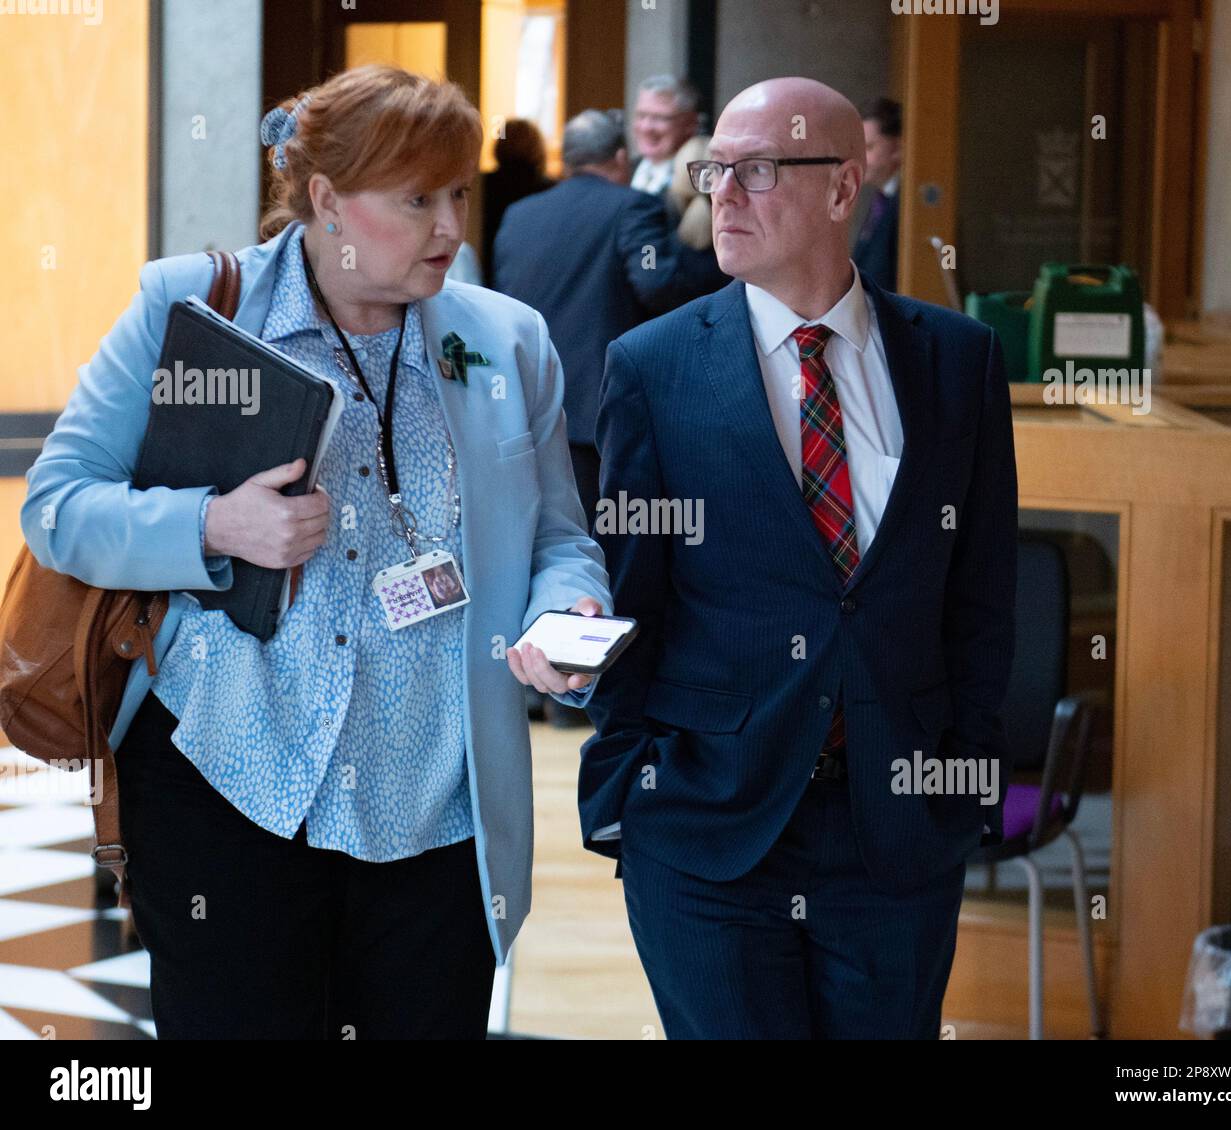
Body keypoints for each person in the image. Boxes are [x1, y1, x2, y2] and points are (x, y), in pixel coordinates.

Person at [22, 64, 611, 1040]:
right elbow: (59, 504)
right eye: (415, 199)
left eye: (458, 193)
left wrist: (568, 608)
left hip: (437, 802)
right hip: (228, 784)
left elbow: (558, 534)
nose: (449, 227)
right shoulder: (194, 312)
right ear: (328, 200)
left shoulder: (507, 342)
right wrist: (212, 525)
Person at [578, 77, 1017, 1039]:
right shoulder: (654, 366)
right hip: (708, 824)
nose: (721, 195)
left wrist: (964, 780)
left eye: (758, 170)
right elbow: (629, 591)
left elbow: (983, 595)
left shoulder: (956, 360)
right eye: (713, 169)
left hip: (898, 830)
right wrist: (624, 792)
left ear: (842, 186)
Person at [493, 108, 726, 530]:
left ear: (565, 159)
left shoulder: (518, 216)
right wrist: (706, 261)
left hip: (523, 407)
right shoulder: (634, 207)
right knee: (610, 538)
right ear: (621, 158)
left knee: (540, 536)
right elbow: (654, 281)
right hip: (599, 415)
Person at [480, 118, 553, 288]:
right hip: (534, 275)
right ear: (537, 147)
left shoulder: (481, 187)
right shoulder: (550, 189)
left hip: (486, 270)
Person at [851, 96, 903, 291]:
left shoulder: (909, 207)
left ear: (898, 148)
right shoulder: (880, 199)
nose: (859, 158)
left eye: (869, 147)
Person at [630, 75, 701, 214]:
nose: (646, 128)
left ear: (690, 124)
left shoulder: (699, 184)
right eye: (641, 115)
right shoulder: (623, 173)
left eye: (660, 118)